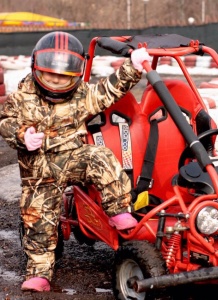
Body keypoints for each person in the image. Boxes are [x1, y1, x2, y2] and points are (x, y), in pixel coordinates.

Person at [0, 31, 151, 292]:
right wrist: (22, 135)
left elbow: (108, 90)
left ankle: (118, 210)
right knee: (38, 218)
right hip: (39, 172)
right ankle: (40, 274)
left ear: (75, 75)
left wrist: (132, 67)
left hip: (73, 158)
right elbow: (5, 122)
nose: (56, 82)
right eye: (50, 75)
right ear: (37, 67)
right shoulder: (21, 98)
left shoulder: (82, 95)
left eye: (63, 77)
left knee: (101, 156)